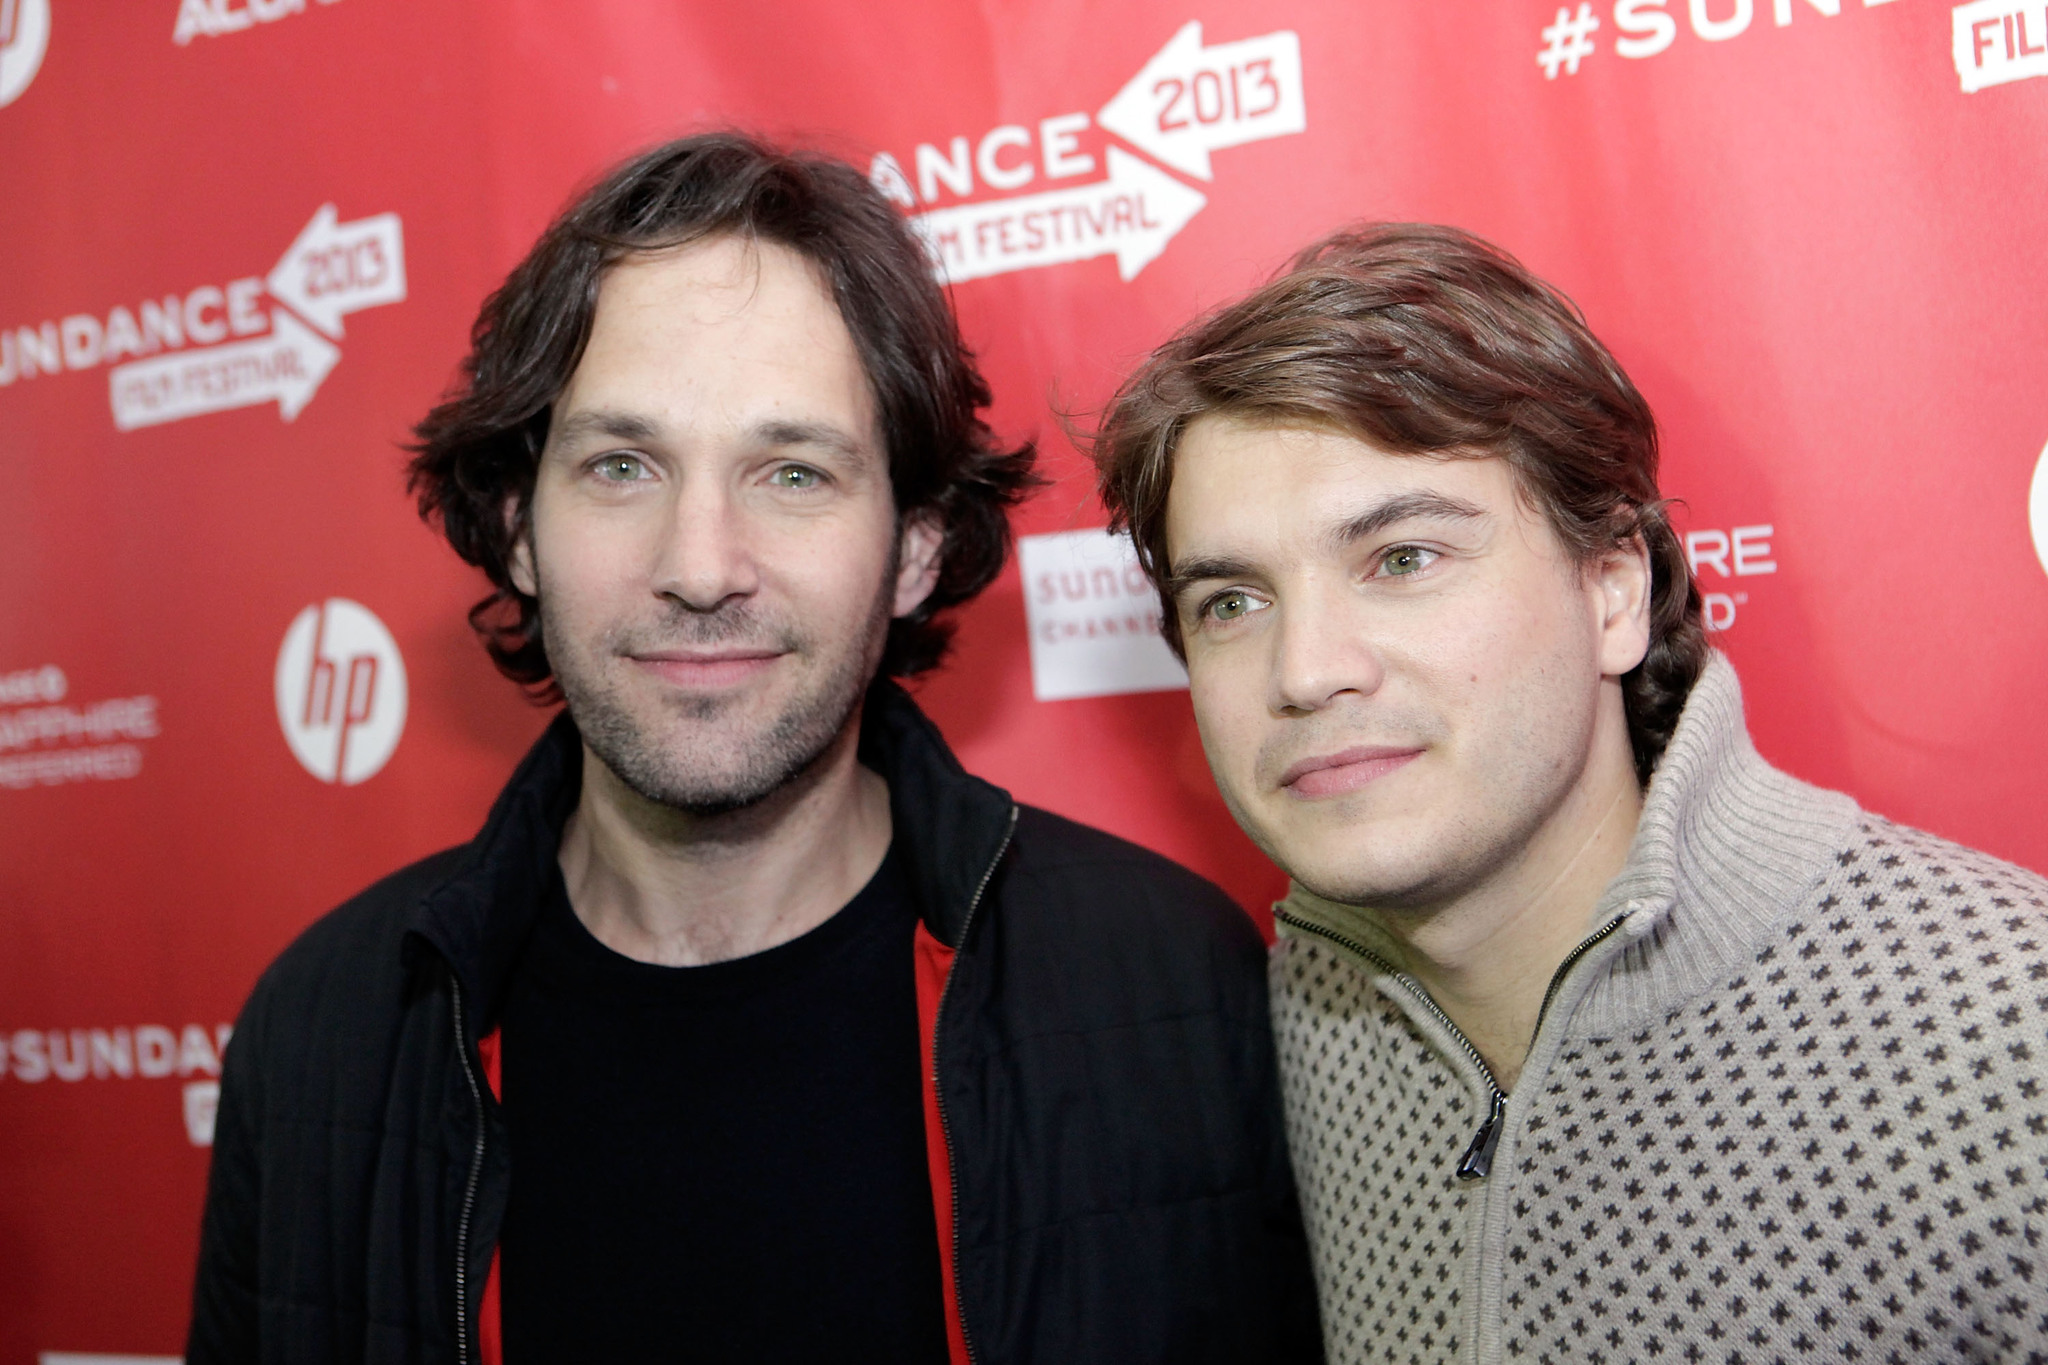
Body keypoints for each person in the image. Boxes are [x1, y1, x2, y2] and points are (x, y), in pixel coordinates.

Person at [187, 133, 1320, 1365]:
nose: (699, 568)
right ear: (519, 531)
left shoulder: (1172, 990)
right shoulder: (327, 1036)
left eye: (790, 473)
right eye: (621, 467)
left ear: (914, 549)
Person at [1093, 223, 2048, 1363]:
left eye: (1403, 558)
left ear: (1610, 593)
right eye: (1232, 603)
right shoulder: (1277, 1028)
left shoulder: (2005, 1027)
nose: (1304, 671)